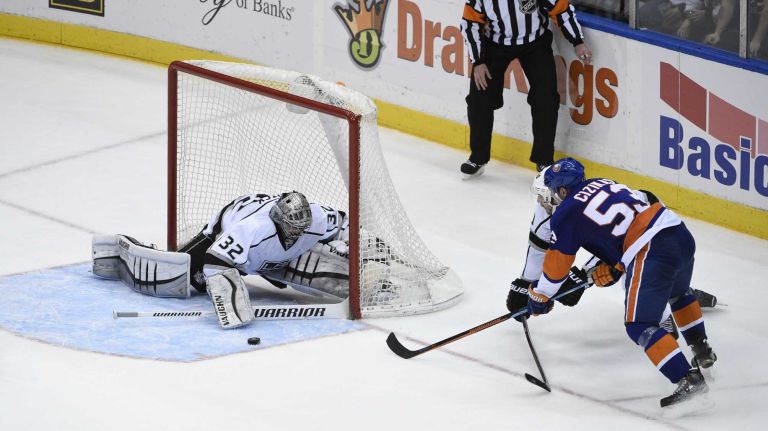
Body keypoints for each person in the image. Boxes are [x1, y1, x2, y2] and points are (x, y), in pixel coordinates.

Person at [514, 158, 717, 408]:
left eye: (552, 194)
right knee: (678, 293)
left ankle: (688, 379)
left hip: (651, 251)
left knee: (639, 324)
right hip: (678, 232)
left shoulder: (565, 214)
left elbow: (556, 269)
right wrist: (619, 265)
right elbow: (643, 203)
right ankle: (701, 348)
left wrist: (539, 296)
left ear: (563, 190)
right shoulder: (601, 183)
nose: (550, 201)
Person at [506, 167, 720, 335]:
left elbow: (610, 242)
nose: (542, 203)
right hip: (635, 238)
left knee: (638, 273)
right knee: (638, 268)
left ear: (561, 192)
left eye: (546, 198)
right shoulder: (548, 208)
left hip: (646, 233)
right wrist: (526, 283)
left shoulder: (577, 208)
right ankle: (672, 290)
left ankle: (668, 305)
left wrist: (586, 272)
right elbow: (539, 246)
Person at [92, 192, 350, 329]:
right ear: (278, 219)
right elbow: (215, 261)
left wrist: (349, 245)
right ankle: (118, 251)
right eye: (291, 227)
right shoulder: (251, 229)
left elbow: (346, 223)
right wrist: (232, 304)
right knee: (171, 277)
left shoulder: (317, 217)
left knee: (329, 272)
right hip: (227, 230)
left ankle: (272, 269)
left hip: (269, 257)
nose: (297, 233)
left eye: (300, 228)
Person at [459, 0, 593, 178]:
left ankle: (544, 160)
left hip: (535, 43)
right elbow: (471, 23)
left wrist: (577, 41)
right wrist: (478, 61)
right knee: (479, 99)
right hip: (495, 45)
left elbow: (561, 9)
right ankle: (478, 156)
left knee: (546, 99)